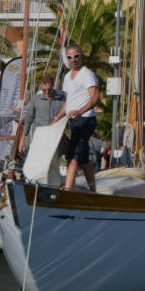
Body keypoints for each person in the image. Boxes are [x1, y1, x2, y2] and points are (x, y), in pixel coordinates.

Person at [53, 45, 99, 192]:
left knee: (72, 156)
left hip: (85, 119)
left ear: (81, 56)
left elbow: (95, 97)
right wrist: (57, 117)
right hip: (73, 121)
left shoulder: (87, 74)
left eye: (76, 56)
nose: (74, 60)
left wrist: (80, 111)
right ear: (67, 59)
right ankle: (93, 191)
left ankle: (68, 190)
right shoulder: (67, 77)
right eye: (70, 57)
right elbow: (69, 101)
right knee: (83, 159)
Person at [18, 76, 64, 155]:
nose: (47, 92)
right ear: (41, 87)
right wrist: (22, 140)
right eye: (44, 90)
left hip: (57, 138)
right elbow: (28, 120)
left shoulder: (62, 99)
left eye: (49, 89)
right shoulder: (36, 99)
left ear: (53, 86)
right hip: (40, 137)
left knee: (53, 163)